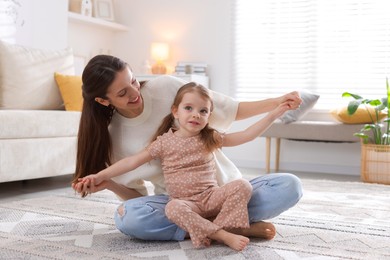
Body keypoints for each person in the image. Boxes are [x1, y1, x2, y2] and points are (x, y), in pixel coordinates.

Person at [72, 54, 303, 243]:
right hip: (180, 203)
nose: (135, 93)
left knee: (289, 186)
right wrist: (106, 181)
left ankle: (207, 227)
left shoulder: (168, 88)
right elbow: (134, 188)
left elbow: (234, 113)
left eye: (133, 81)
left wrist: (277, 105)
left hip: (224, 193)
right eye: (122, 93)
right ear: (103, 101)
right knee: (128, 218)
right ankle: (229, 228)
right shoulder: (130, 138)